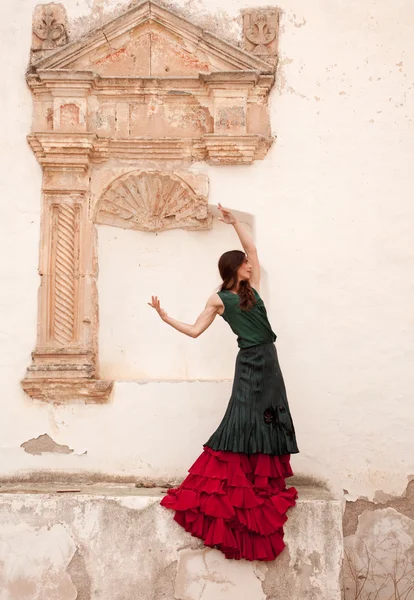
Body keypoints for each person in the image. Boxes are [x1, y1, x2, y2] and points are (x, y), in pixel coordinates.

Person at [148, 203, 299, 561]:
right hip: (248, 362)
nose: (250, 265)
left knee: (269, 417)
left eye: (249, 263)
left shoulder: (254, 289)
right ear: (234, 268)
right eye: (244, 264)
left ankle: (263, 480)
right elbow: (196, 331)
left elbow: (254, 250)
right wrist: (166, 317)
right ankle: (234, 482)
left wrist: (235, 224)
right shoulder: (220, 299)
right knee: (242, 418)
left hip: (269, 361)